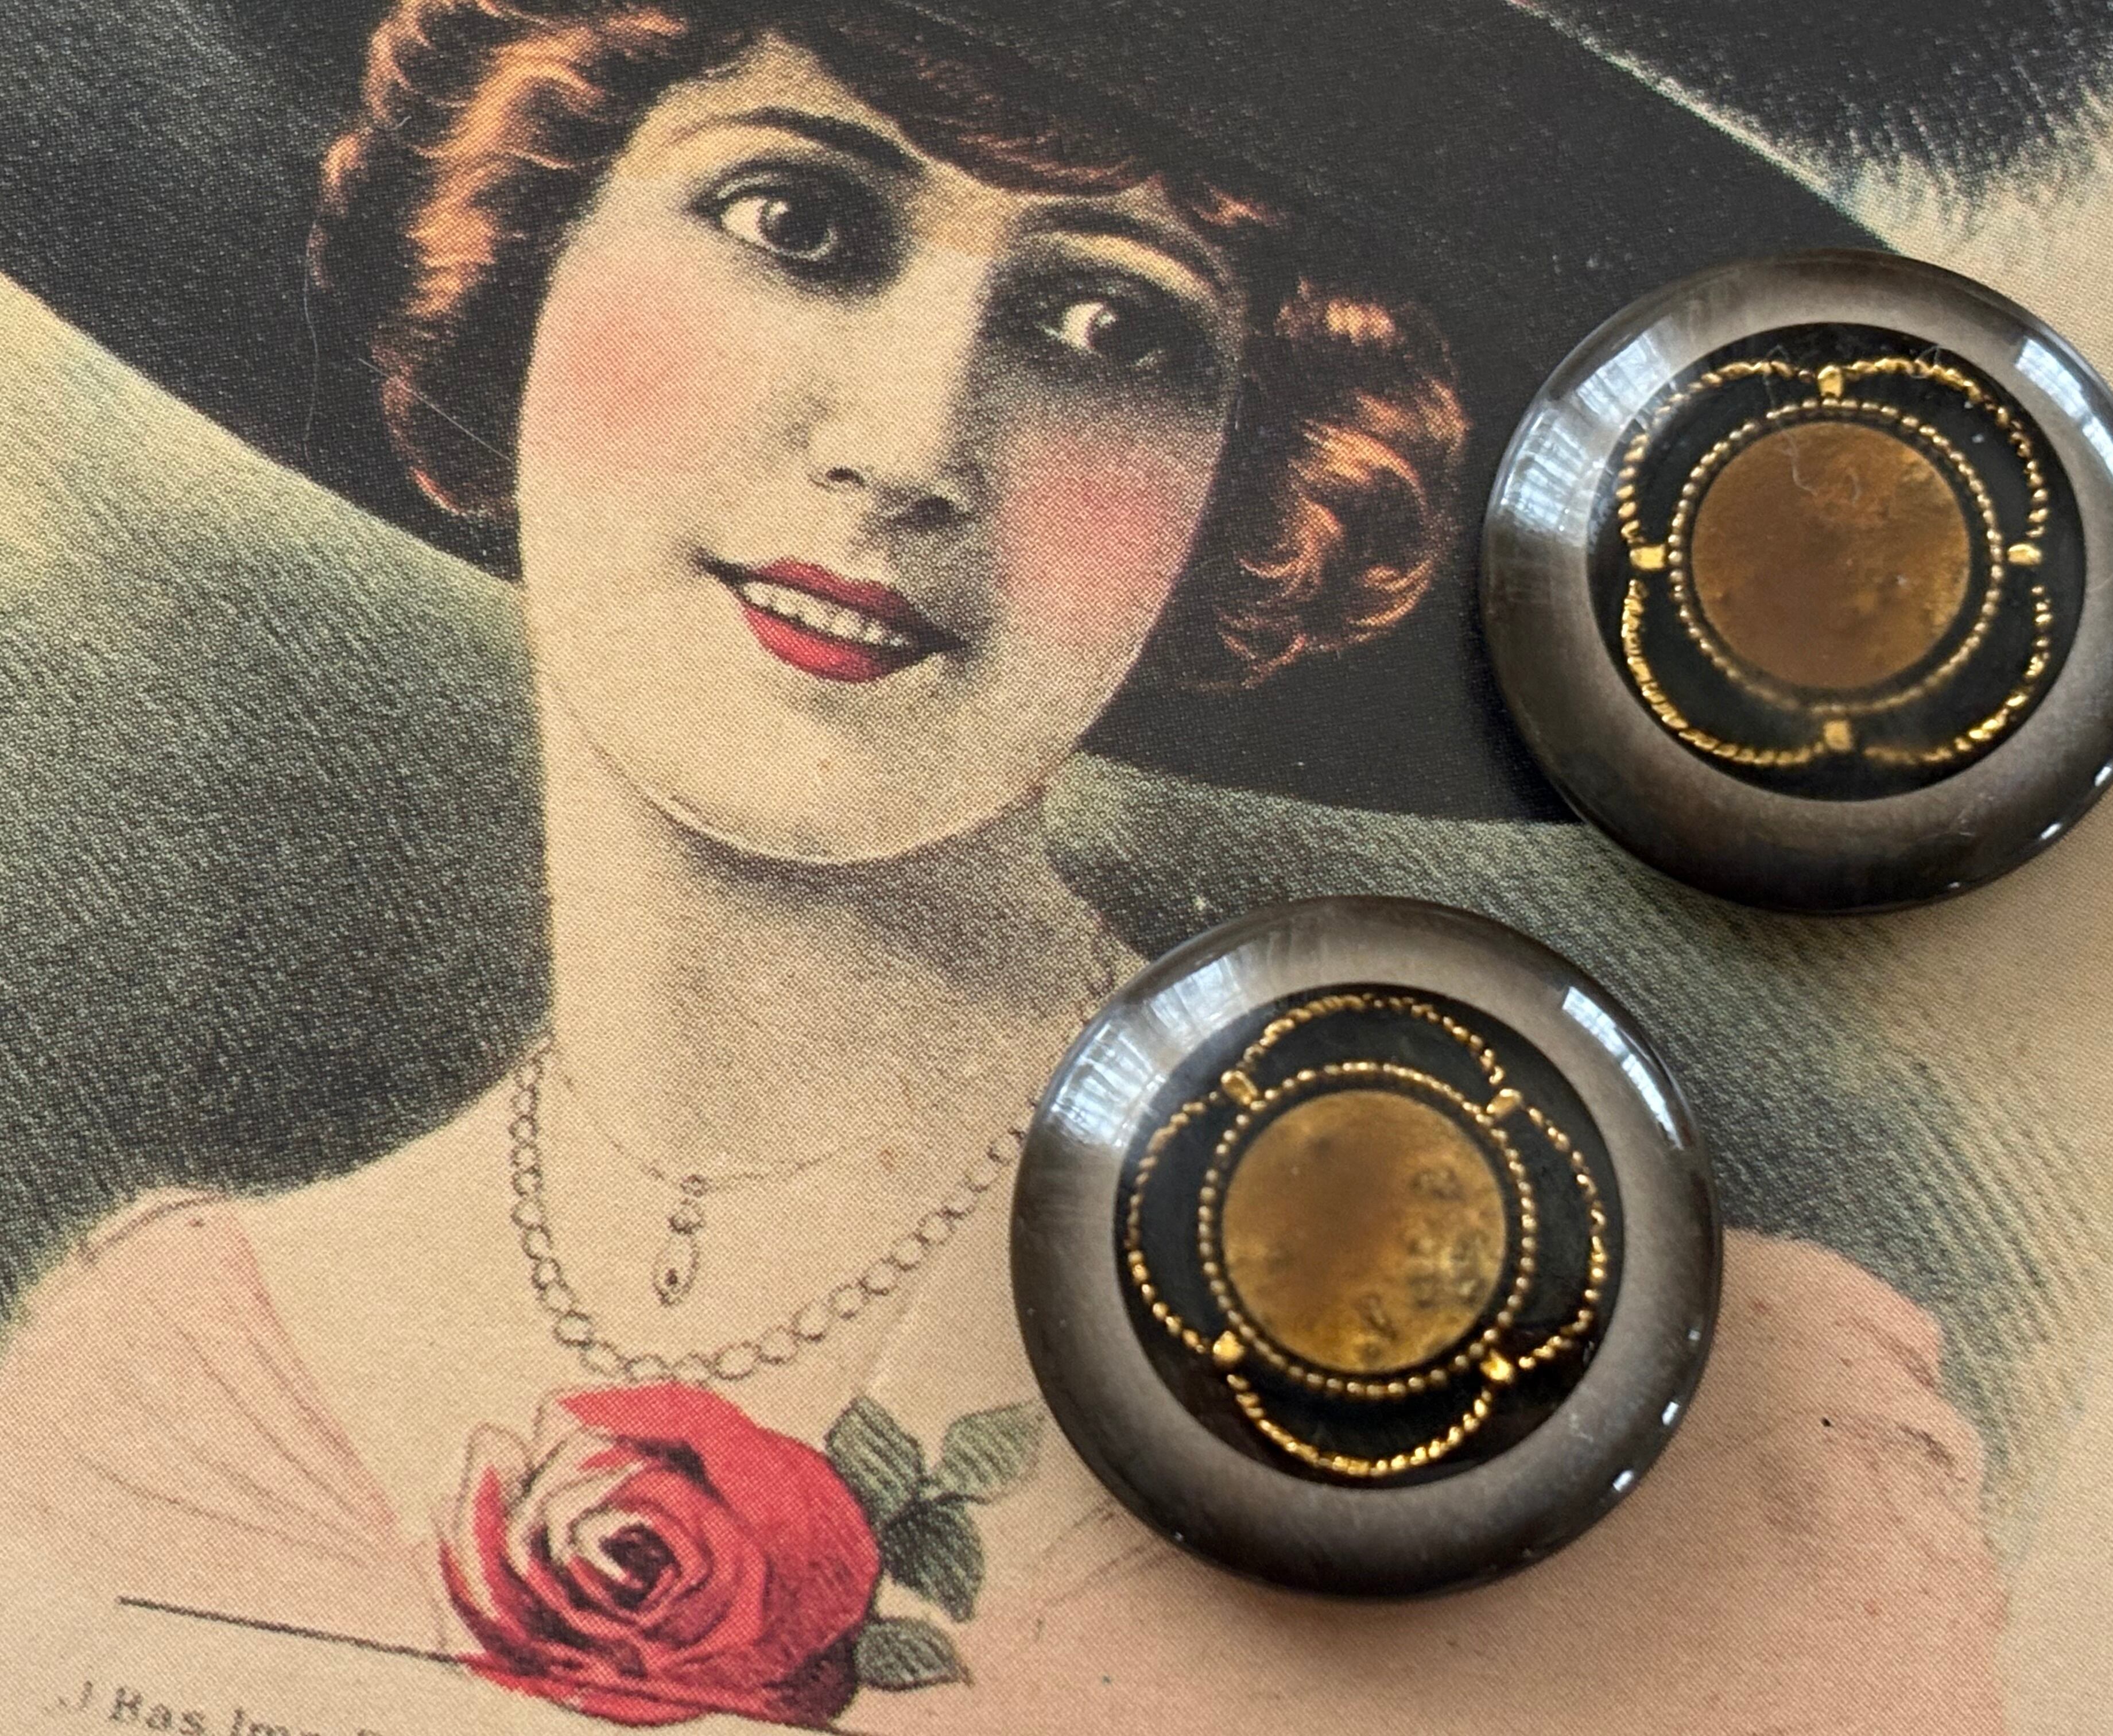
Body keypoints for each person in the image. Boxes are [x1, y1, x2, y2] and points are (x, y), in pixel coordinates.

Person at [0, 2, 2006, 1730]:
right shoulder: (164, 1390)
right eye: (795, 221)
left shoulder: (1678, 1427)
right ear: (512, 247)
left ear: (1255, 478)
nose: (911, 444)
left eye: (1107, 321)